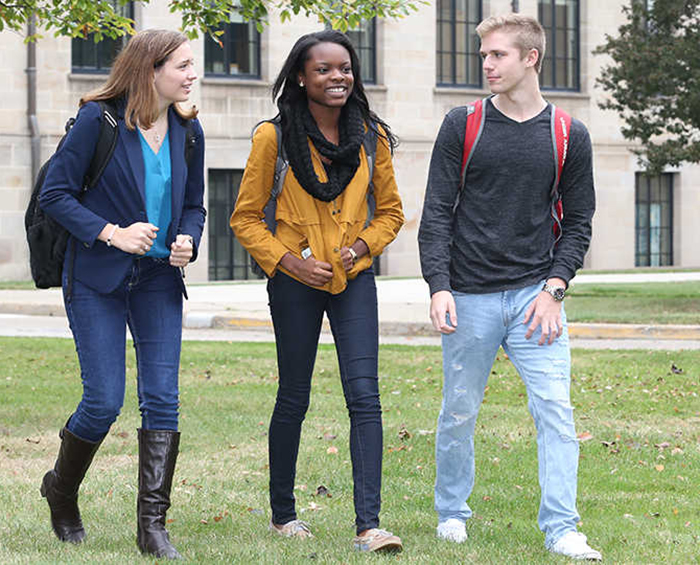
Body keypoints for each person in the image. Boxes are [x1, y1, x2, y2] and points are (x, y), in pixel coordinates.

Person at [418, 14, 602, 561]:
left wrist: (555, 287)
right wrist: (438, 285)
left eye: (497, 55)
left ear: (530, 59)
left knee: (556, 412)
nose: (486, 65)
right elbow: (436, 213)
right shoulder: (462, 124)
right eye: (483, 56)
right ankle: (452, 513)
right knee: (457, 411)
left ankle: (563, 528)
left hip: (533, 298)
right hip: (469, 295)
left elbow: (579, 222)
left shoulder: (569, 134)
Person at [231, 30, 404, 553]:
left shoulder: (371, 137)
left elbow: (392, 213)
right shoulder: (274, 137)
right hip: (294, 282)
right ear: (301, 77)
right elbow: (244, 218)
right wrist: (287, 263)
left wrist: (360, 250)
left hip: (353, 280)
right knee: (294, 396)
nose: (338, 77)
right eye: (324, 69)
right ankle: (283, 514)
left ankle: (369, 526)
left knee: (365, 396)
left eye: (345, 68)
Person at [38, 29, 205, 559]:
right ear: (150, 69)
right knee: (104, 400)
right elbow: (54, 194)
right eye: (181, 65)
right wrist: (112, 232)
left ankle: (152, 528)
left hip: (158, 280)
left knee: (162, 399)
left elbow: (195, 206)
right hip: (97, 278)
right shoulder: (99, 120)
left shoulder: (187, 127)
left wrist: (188, 240)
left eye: (190, 65)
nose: (191, 74)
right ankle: (60, 491)